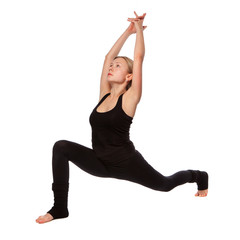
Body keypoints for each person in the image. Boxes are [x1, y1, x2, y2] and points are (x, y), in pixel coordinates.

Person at [36, 12, 208, 224]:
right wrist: (126, 32)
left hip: (127, 163)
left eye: (118, 66)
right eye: (112, 66)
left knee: (165, 184)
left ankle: (198, 175)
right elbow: (107, 57)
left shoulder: (130, 98)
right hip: (100, 162)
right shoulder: (104, 95)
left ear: (129, 76)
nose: (111, 67)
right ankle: (60, 208)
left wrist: (138, 30)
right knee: (60, 146)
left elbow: (138, 58)